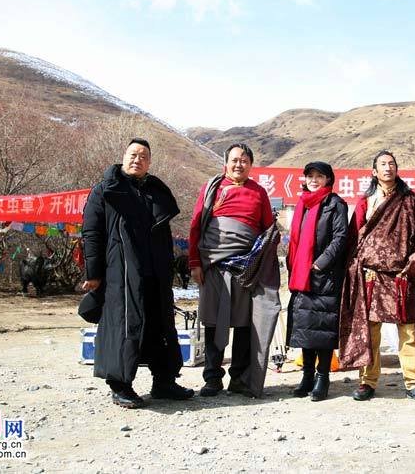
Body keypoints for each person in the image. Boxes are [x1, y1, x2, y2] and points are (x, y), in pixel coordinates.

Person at [81, 138, 193, 408]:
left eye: (143, 156)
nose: (137, 159)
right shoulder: (105, 190)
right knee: (124, 324)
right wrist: (94, 273)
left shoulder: (155, 191)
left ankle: (163, 381)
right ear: (123, 156)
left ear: (149, 162)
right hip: (120, 271)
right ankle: (120, 385)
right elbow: (92, 233)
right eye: (133, 154)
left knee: (160, 325)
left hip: (155, 272)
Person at [339, 150, 415, 402]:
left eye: (391, 164)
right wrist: (353, 268)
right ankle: (368, 381)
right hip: (370, 276)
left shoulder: (410, 200)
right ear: (374, 172)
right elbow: (353, 238)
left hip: (400, 276)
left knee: (408, 331)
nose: (388, 168)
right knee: (370, 330)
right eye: (382, 164)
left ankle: (414, 382)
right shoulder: (366, 201)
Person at [188, 143, 280, 398]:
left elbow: (268, 230)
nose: (239, 164)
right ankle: (212, 378)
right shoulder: (212, 189)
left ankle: (239, 378)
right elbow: (196, 226)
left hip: (246, 268)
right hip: (213, 265)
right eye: (235, 160)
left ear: (251, 165)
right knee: (212, 321)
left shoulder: (259, 192)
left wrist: (261, 257)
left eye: (245, 160)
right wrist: (195, 262)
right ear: (226, 163)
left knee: (242, 325)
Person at [286, 162, 348, 402]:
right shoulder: (302, 203)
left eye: (319, 176)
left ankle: (323, 378)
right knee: (305, 328)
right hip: (301, 275)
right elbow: (294, 240)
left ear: (328, 179)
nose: (313, 179)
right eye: (310, 175)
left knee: (323, 328)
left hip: (324, 275)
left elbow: (340, 237)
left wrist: (321, 263)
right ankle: (307, 376)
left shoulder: (335, 204)